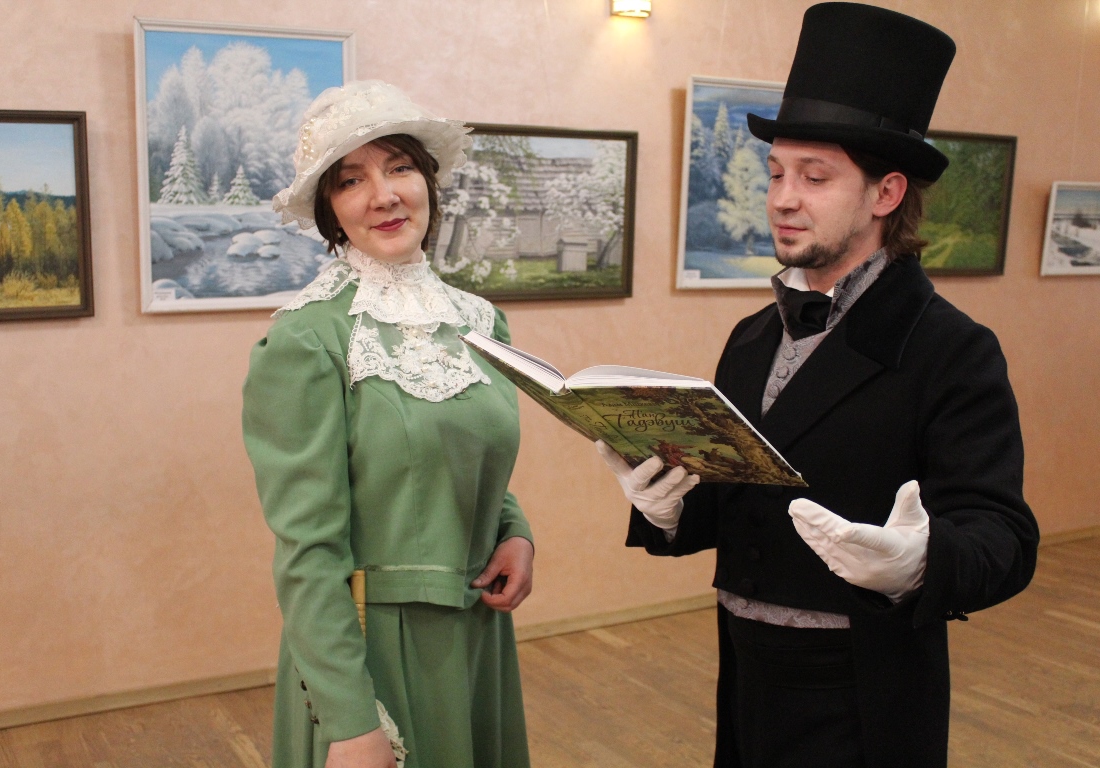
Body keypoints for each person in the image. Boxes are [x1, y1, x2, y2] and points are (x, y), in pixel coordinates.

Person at [597, 4, 1038, 767]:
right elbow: (739, 502)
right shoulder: (751, 337)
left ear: (885, 193)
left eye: (815, 176)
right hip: (743, 669)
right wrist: (668, 506)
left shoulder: (952, 349)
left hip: (864, 689)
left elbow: (1005, 537)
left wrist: (919, 562)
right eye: (776, 173)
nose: (782, 197)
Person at [242, 80, 533, 768]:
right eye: (351, 180)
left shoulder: (481, 320)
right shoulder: (305, 339)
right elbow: (307, 553)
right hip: (368, 644)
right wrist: (349, 719)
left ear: (428, 180)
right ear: (329, 212)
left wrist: (513, 530)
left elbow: (465, 450)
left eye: (399, 167)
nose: (384, 195)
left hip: (477, 630)